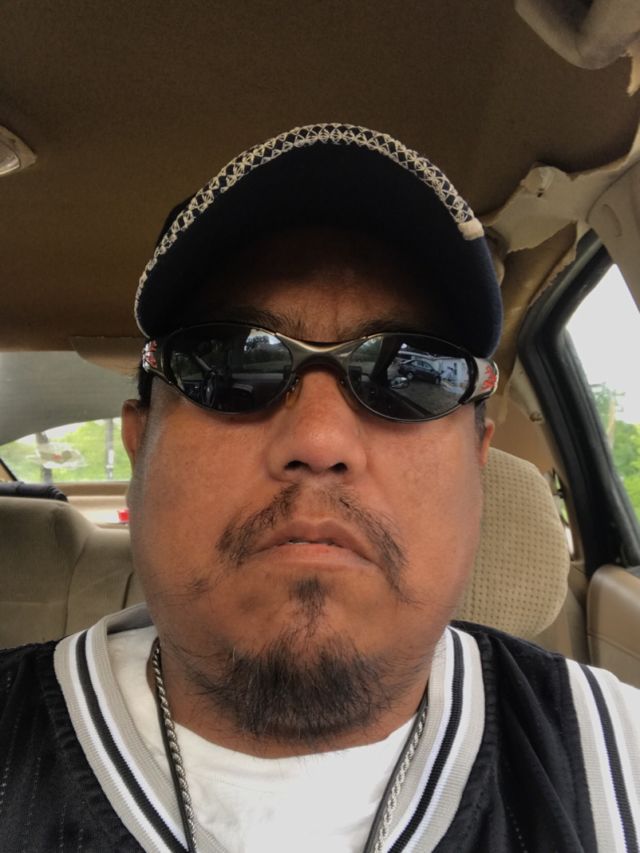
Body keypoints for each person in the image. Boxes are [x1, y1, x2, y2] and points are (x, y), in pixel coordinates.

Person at [1, 123, 638, 853]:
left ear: (477, 461)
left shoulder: (615, 760)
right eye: (232, 363)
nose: (320, 440)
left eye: (411, 373)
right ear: (141, 443)